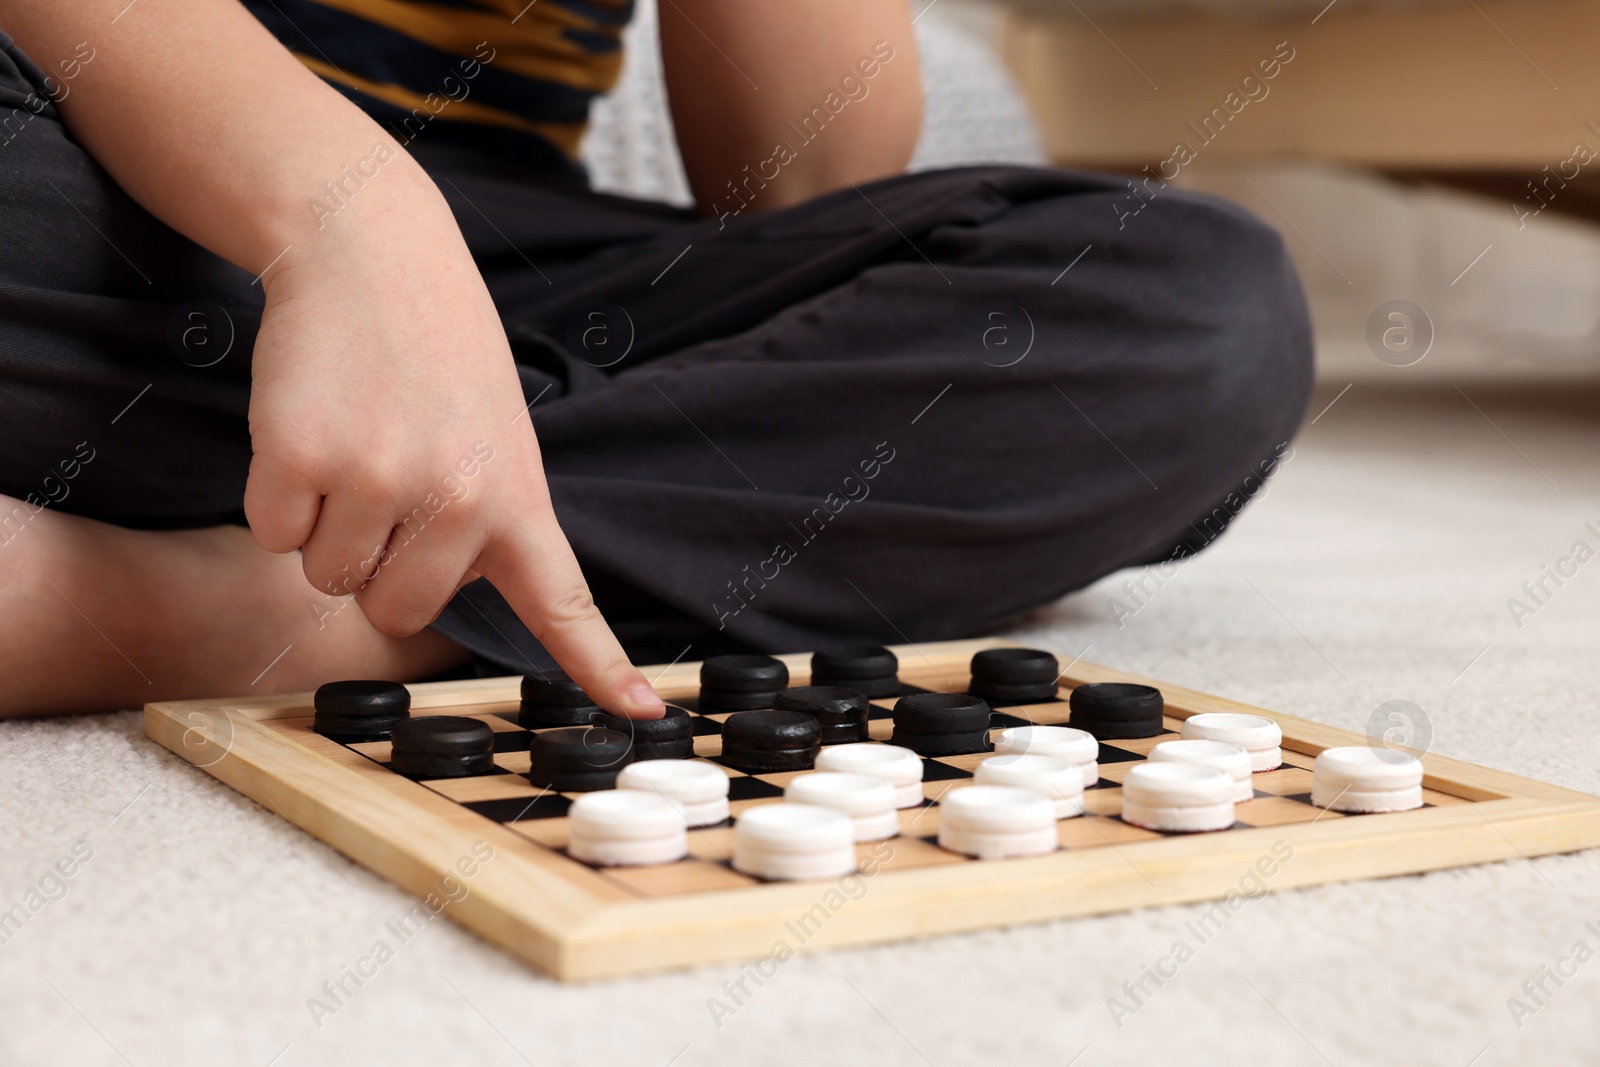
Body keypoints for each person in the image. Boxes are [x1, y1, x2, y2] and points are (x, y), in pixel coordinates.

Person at [0, 0, 1312, 718]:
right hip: (106, 172)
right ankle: (493, 530)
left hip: (531, 276)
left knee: (1193, 313)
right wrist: (346, 218)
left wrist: (423, 288)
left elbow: (814, 184)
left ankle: (230, 613)